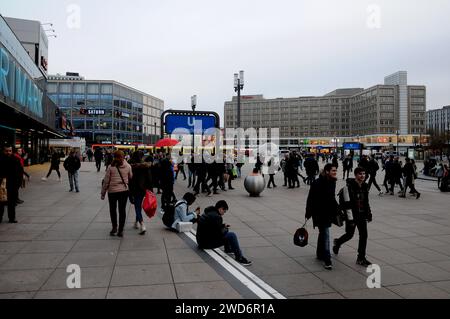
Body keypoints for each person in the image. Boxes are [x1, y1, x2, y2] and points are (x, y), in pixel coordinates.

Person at [333, 167, 373, 267]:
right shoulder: (348, 187)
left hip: (362, 215)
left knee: (364, 235)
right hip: (352, 215)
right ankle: (338, 242)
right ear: (355, 175)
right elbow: (346, 205)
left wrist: (369, 213)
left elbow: (366, 201)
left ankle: (361, 257)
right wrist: (350, 219)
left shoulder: (365, 186)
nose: (362, 176)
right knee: (349, 234)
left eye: (364, 173)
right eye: (360, 174)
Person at [196, 200, 252, 266]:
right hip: (206, 244)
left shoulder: (208, 212)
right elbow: (219, 234)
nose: (223, 213)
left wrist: (222, 226)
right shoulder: (217, 217)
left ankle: (228, 249)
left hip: (200, 241)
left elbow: (212, 226)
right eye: (224, 211)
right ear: (220, 208)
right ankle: (239, 257)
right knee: (231, 235)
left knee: (226, 231)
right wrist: (225, 229)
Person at [305, 163, 339, 270]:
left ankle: (320, 253)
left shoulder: (332, 182)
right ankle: (327, 259)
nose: (335, 172)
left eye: (335, 171)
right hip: (319, 213)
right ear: (327, 171)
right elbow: (310, 198)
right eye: (333, 170)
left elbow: (332, 198)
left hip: (327, 212)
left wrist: (338, 210)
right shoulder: (317, 183)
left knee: (323, 233)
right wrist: (308, 213)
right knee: (326, 234)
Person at [101, 151, 133, 237]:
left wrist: (103, 193)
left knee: (113, 210)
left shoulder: (110, 167)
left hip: (112, 192)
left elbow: (106, 181)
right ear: (123, 157)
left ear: (114, 157)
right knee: (122, 210)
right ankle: (121, 230)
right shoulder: (128, 166)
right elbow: (131, 177)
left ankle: (114, 227)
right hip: (123, 191)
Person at [129, 151, 152, 235]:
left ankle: (142, 224)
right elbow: (149, 178)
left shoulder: (130, 164)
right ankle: (136, 222)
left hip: (133, 188)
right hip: (142, 189)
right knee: (138, 205)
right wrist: (150, 189)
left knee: (137, 206)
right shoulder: (145, 165)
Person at [0, 145, 24, 223]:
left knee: (12, 202)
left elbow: (20, 172)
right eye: (6, 151)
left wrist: (18, 183)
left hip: (12, 184)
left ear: (12, 151)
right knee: (1, 202)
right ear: (3, 151)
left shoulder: (16, 160)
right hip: (1, 184)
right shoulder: (1, 159)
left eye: (10, 151)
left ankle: (12, 218)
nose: (8, 152)